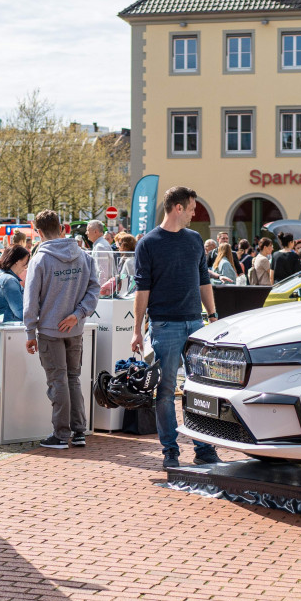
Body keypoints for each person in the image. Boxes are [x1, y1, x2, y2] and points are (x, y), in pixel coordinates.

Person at [132, 186, 219, 469]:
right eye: (192, 208)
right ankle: (170, 451)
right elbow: (141, 290)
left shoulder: (195, 240)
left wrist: (213, 315)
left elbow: (204, 280)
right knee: (166, 390)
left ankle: (204, 448)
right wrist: (136, 330)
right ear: (178, 208)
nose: (195, 213)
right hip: (164, 325)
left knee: (200, 388)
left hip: (196, 323)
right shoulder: (148, 243)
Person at [22, 210, 99, 449]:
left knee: (58, 380)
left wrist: (29, 331)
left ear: (39, 231)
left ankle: (61, 434)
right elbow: (94, 290)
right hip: (74, 329)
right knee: (72, 378)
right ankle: (78, 431)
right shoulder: (84, 256)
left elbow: (31, 298)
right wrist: (78, 315)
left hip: (50, 329)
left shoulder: (40, 259)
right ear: (62, 227)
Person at [0, 244, 29, 322]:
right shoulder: (9, 280)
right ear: (17, 261)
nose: (25, 267)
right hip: (8, 327)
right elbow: (20, 312)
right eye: (25, 263)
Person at [86, 220, 117, 296]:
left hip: (104, 292)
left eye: (88, 230)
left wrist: (99, 293)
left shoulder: (100, 246)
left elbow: (103, 272)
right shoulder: (101, 244)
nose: (86, 233)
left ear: (96, 232)